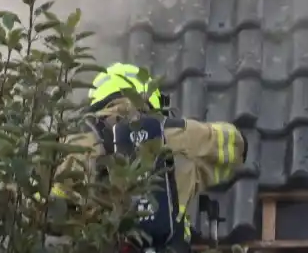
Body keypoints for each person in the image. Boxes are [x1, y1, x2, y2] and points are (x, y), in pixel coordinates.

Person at [50, 62, 247, 253]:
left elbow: (44, 213)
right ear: (150, 97)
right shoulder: (184, 136)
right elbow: (236, 145)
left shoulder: (72, 146)